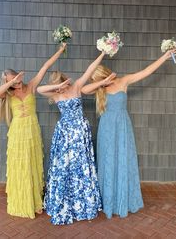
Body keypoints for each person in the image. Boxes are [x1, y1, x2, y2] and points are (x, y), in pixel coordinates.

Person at [81, 48, 176, 219]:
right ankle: (108, 201)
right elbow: (84, 90)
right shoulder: (99, 89)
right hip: (107, 129)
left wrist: (164, 56)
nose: (96, 82)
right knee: (108, 161)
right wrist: (101, 84)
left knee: (123, 160)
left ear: (104, 73)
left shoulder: (123, 81)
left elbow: (146, 72)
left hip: (122, 127)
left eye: (98, 79)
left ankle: (123, 199)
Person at [37, 51, 115, 225]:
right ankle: (65, 202)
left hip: (80, 131)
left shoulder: (77, 86)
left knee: (80, 165)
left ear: (66, 80)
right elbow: (39, 89)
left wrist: (102, 53)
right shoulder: (55, 94)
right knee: (64, 165)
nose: (60, 88)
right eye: (57, 86)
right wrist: (55, 88)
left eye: (61, 84)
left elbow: (90, 69)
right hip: (64, 133)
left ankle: (83, 203)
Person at [0, 43, 66, 218]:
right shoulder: (8, 94)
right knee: (20, 165)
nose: (16, 83)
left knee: (31, 164)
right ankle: (21, 201)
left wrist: (61, 50)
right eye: (11, 80)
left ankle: (33, 201)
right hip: (17, 132)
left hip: (32, 130)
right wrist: (9, 81)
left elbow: (45, 66)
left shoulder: (31, 86)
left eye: (16, 79)